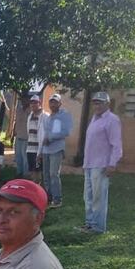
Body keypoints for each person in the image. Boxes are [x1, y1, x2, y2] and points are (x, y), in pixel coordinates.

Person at [80, 92, 123, 234]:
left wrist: (112, 164)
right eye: (95, 103)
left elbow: (116, 144)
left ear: (107, 104)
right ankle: (89, 224)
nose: (96, 106)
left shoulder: (112, 120)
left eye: (100, 103)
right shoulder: (94, 119)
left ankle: (98, 227)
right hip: (90, 164)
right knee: (88, 196)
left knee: (99, 197)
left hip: (102, 164)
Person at [36, 94, 72, 208]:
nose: (52, 104)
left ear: (60, 103)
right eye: (51, 102)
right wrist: (40, 151)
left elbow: (66, 132)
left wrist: (51, 138)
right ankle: (48, 197)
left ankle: (57, 199)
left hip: (56, 149)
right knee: (46, 175)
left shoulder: (64, 115)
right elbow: (44, 134)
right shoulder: (48, 117)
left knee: (53, 174)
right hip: (46, 150)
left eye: (55, 102)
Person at [23, 95, 45, 180]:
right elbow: (29, 131)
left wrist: (41, 151)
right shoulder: (30, 116)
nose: (33, 105)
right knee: (31, 170)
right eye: (31, 103)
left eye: (35, 103)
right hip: (30, 148)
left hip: (38, 149)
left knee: (38, 171)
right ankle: (33, 188)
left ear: (39, 103)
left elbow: (44, 133)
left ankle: (38, 189)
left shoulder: (44, 116)